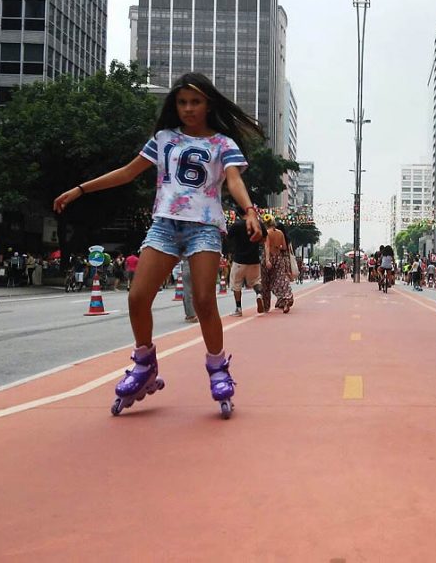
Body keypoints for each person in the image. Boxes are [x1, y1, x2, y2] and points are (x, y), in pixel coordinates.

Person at [53, 72, 263, 414]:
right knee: (138, 297)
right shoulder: (164, 138)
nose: (188, 108)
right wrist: (80, 189)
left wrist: (249, 210)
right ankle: (145, 363)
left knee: (205, 300)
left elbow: (235, 181)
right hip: (164, 226)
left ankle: (217, 368)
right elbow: (127, 172)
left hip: (204, 227)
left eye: (195, 102)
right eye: (182, 102)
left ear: (208, 103)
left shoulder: (223, 144)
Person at [228, 208, 267, 316]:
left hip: (239, 259)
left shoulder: (236, 225)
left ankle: (238, 308)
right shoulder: (258, 224)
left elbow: (228, 237)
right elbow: (264, 239)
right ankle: (259, 294)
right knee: (256, 281)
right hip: (254, 259)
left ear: (238, 213)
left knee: (236, 284)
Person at [261, 214, 294, 313]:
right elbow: (284, 247)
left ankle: (266, 306)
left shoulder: (267, 233)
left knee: (265, 283)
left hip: (269, 257)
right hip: (279, 257)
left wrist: (267, 260)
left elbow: (267, 247)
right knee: (281, 279)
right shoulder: (280, 233)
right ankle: (287, 297)